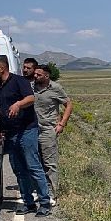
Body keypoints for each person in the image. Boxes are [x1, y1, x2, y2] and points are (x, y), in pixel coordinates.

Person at [0, 57, 52, 217]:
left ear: (2, 68)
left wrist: (18, 104)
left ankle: (45, 203)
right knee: (19, 169)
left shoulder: (18, 81)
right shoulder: (0, 87)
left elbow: (31, 98)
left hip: (26, 130)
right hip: (11, 134)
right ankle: (29, 203)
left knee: (33, 166)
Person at [33, 63, 73, 200]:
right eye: (35, 74)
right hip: (32, 129)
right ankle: (40, 191)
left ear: (46, 75)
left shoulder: (55, 88)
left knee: (49, 162)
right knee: (35, 162)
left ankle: (51, 194)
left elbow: (68, 104)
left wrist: (62, 123)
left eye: (39, 74)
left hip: (47, 129)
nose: (35, 76)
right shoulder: (31, 87)